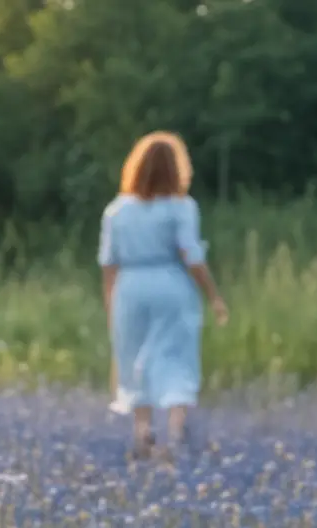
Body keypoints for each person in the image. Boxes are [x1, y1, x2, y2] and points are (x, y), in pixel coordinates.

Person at [99, 131, 228, 457]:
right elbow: (192, 257)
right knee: (175, 356)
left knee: (133, 358)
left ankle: (143, 431)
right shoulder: (181, 208)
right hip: (170, 283)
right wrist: (213, 295)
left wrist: (111, 306)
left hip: (130, 287)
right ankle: (173, 433)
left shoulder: (117, 211)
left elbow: (108, 264)